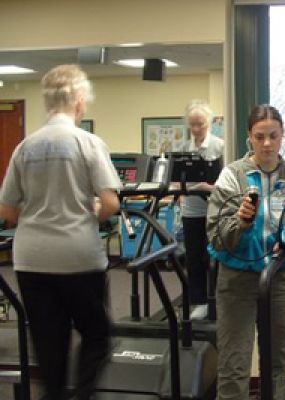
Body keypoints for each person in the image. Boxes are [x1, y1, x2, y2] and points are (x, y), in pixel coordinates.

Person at [0, 64, 121, 400]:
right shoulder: (87, 143)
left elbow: (7, 210)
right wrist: (88, 213)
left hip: (31, 260)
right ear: (79, 101)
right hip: (77, 257)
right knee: (96, 334)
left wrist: (38, 216)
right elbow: (110, 203)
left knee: (49, 345)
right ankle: (82, 394)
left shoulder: (25, 147)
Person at [206, 104, 285, 400]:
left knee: (275, 366)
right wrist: (240, 223)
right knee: (233, 366)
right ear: (249, 138)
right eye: (259, 137)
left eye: (273, 136)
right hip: (237, 279)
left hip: (280, 277)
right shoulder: (232, 176)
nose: (267, 143)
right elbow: (216, 237)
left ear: (282, 137)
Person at [178, 100, 224, 320]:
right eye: (193, 124)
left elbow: (227, 183)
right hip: (191, 211)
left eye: (201, 124)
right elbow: (177, 178)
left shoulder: (220, 146)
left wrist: (209, 188)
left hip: (214, 211)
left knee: (213, 258)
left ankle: (216, 301)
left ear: (210, 122)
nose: (196, 129)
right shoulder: (184, 148)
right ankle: (198, 302)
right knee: (194, 259)